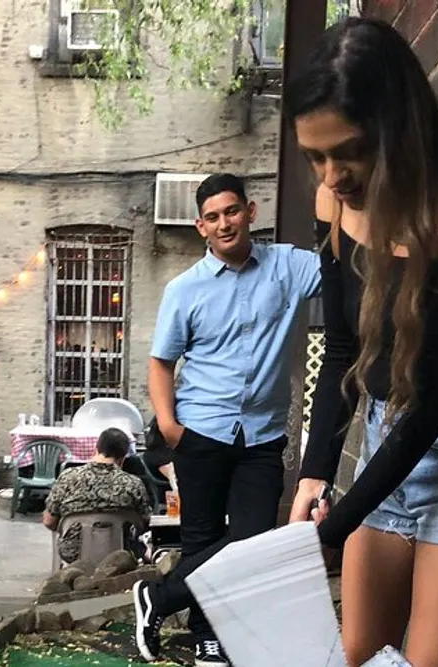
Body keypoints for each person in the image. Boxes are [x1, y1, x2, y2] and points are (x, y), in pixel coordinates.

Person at [285, 18, 438, 667]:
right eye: (315, 156)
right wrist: (317, 469)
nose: (332, 174)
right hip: (384, 445)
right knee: (358, 655)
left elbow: (430, 404)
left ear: (397, 129)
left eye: (347, 151)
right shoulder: (333, 202)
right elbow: (341, 347)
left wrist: (333, 530)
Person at [132, 173, 321, 667]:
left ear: (250, 212)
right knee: (201, 537)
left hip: (261, 437)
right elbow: (160, 364)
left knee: (251, 543)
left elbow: (344, 269)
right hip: (201, 433)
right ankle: (207, 638)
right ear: (200, 226)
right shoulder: (184, 290)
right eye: (213, 217)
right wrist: (171, 427)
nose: (224, 223)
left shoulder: (289, 267)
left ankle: (159, 597)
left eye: (232, 211)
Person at [43, 427, 151, 565]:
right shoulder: (133, 484)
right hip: (121, 553)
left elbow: (49, 521)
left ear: (96, 448)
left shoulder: (67, 477)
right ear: (123, 458)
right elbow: (144, 523)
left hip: (74, 554)